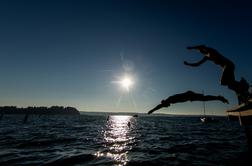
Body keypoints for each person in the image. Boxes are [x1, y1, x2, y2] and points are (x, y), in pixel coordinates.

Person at [148, 91, 229, 114]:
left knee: (204, 99)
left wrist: (152, 110)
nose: (168, 107)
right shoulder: (169, 100)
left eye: (166, 106)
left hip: (189, 95)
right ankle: (218, 98)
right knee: (204, 99)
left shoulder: (169, 100)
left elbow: (159, 106)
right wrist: (152, 110)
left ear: (165, 103)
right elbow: (160, 106)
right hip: (189, 96)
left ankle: (219, 98)